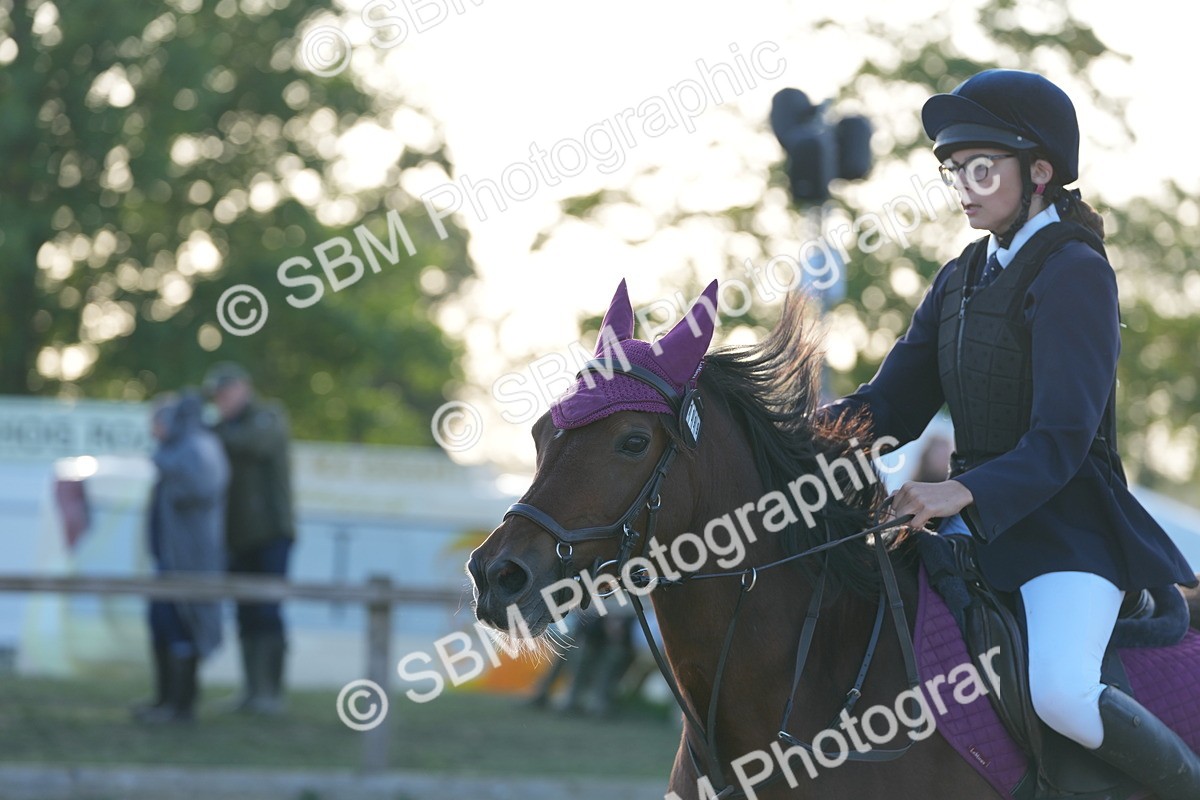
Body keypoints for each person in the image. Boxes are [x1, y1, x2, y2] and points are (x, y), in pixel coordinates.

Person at [821, 69, 1200, 798]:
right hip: (976, 528)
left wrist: (955, 492)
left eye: (980, 167)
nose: (962, 186)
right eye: (954, 170)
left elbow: (1063, 437)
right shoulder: (959, 277)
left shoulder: (1076, 272)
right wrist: (787, 435)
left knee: (1060, 690)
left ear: (1040, 171)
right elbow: (889, 405)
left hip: (1070, 531)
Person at [203, 362, 296, 715]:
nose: (221, 400)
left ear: (244, 387)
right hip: (237, 536)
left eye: (226, 392)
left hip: (271, 534)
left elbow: (255, 445)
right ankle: (252, 690)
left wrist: (211, 431)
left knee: (268, 611)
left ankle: (270, 693)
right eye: (218, 395)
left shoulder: (268, 416)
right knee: (245, 613)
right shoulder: (224, 427)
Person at [134, 391, 228, 724]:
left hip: (190, 562)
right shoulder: (180, 449)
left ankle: (181, 705)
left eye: (156, 422)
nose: (153, 430)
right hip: (169, 560)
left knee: (183, 627)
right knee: (162, 626)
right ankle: (164, 700)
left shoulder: (199, 447)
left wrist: (166, 461)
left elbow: (202, 487)